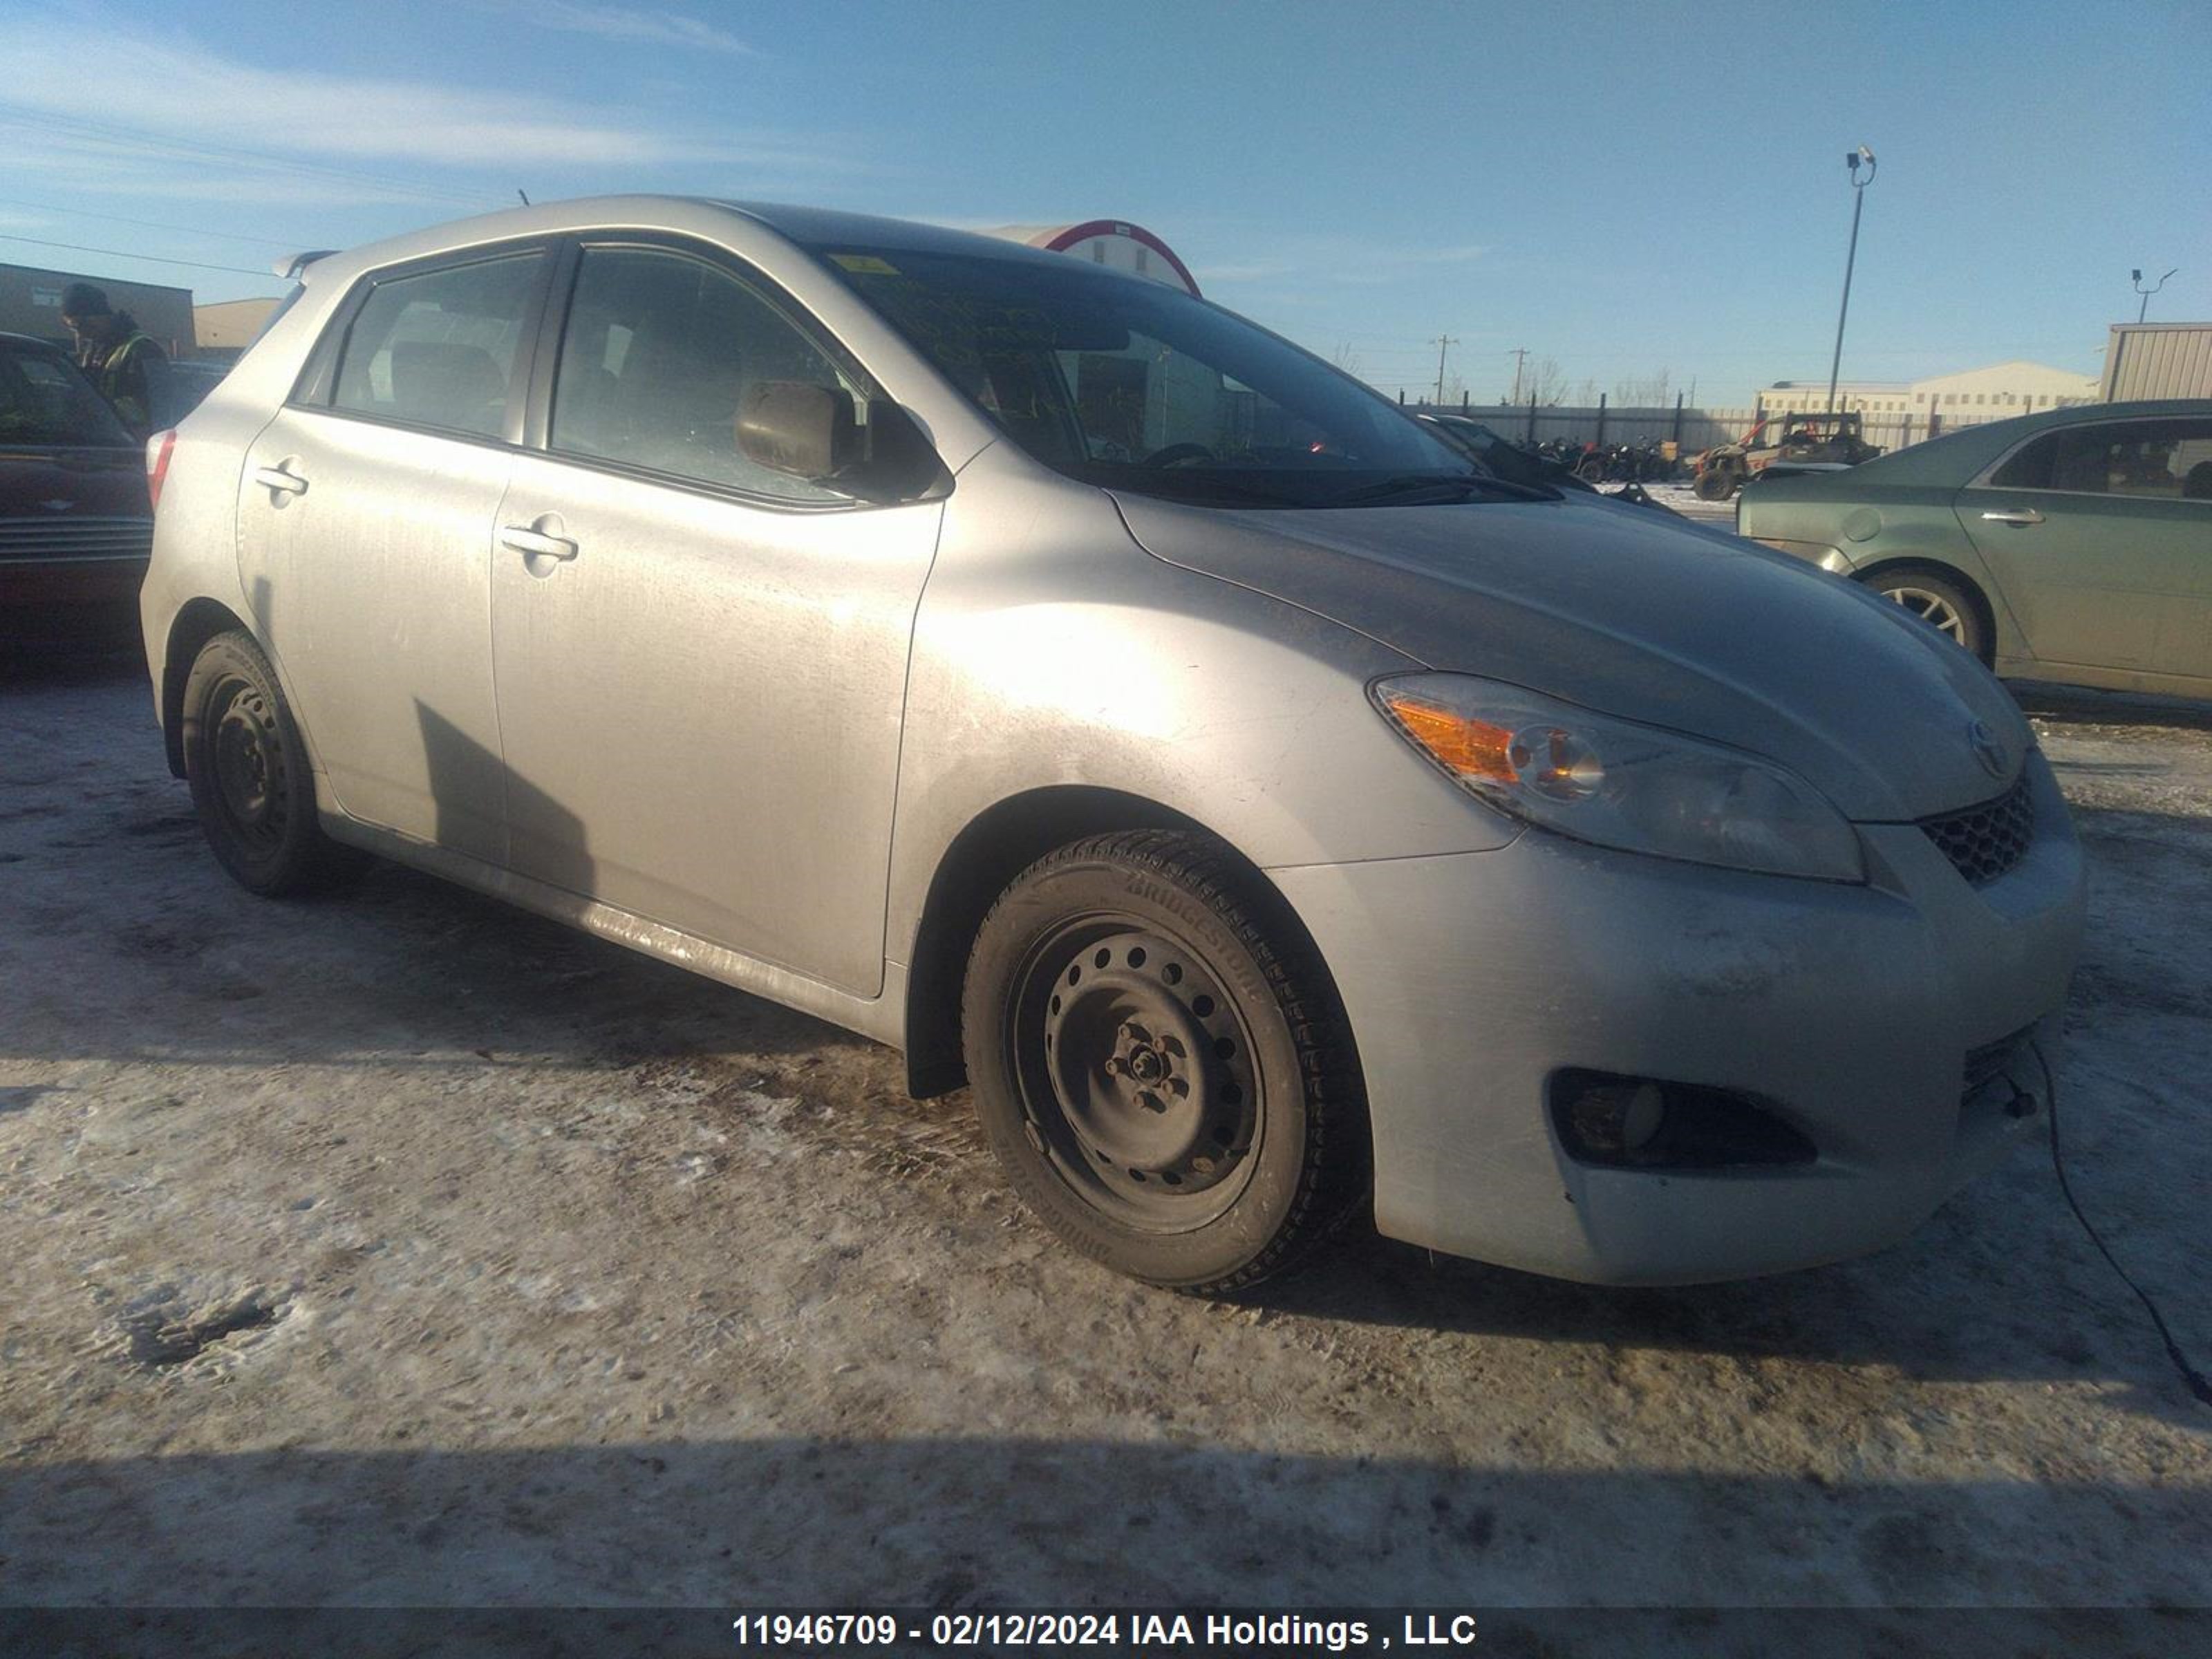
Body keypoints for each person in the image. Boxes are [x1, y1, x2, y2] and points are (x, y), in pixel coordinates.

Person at [59, 281, 171, 438]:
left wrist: (102, 408)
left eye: (82, 325)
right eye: (73, 328)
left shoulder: (144, 349)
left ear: (100, 315)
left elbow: (162, 405)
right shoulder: (94, 349)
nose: (80, 334)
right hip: (105, 437)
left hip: (135, 442)